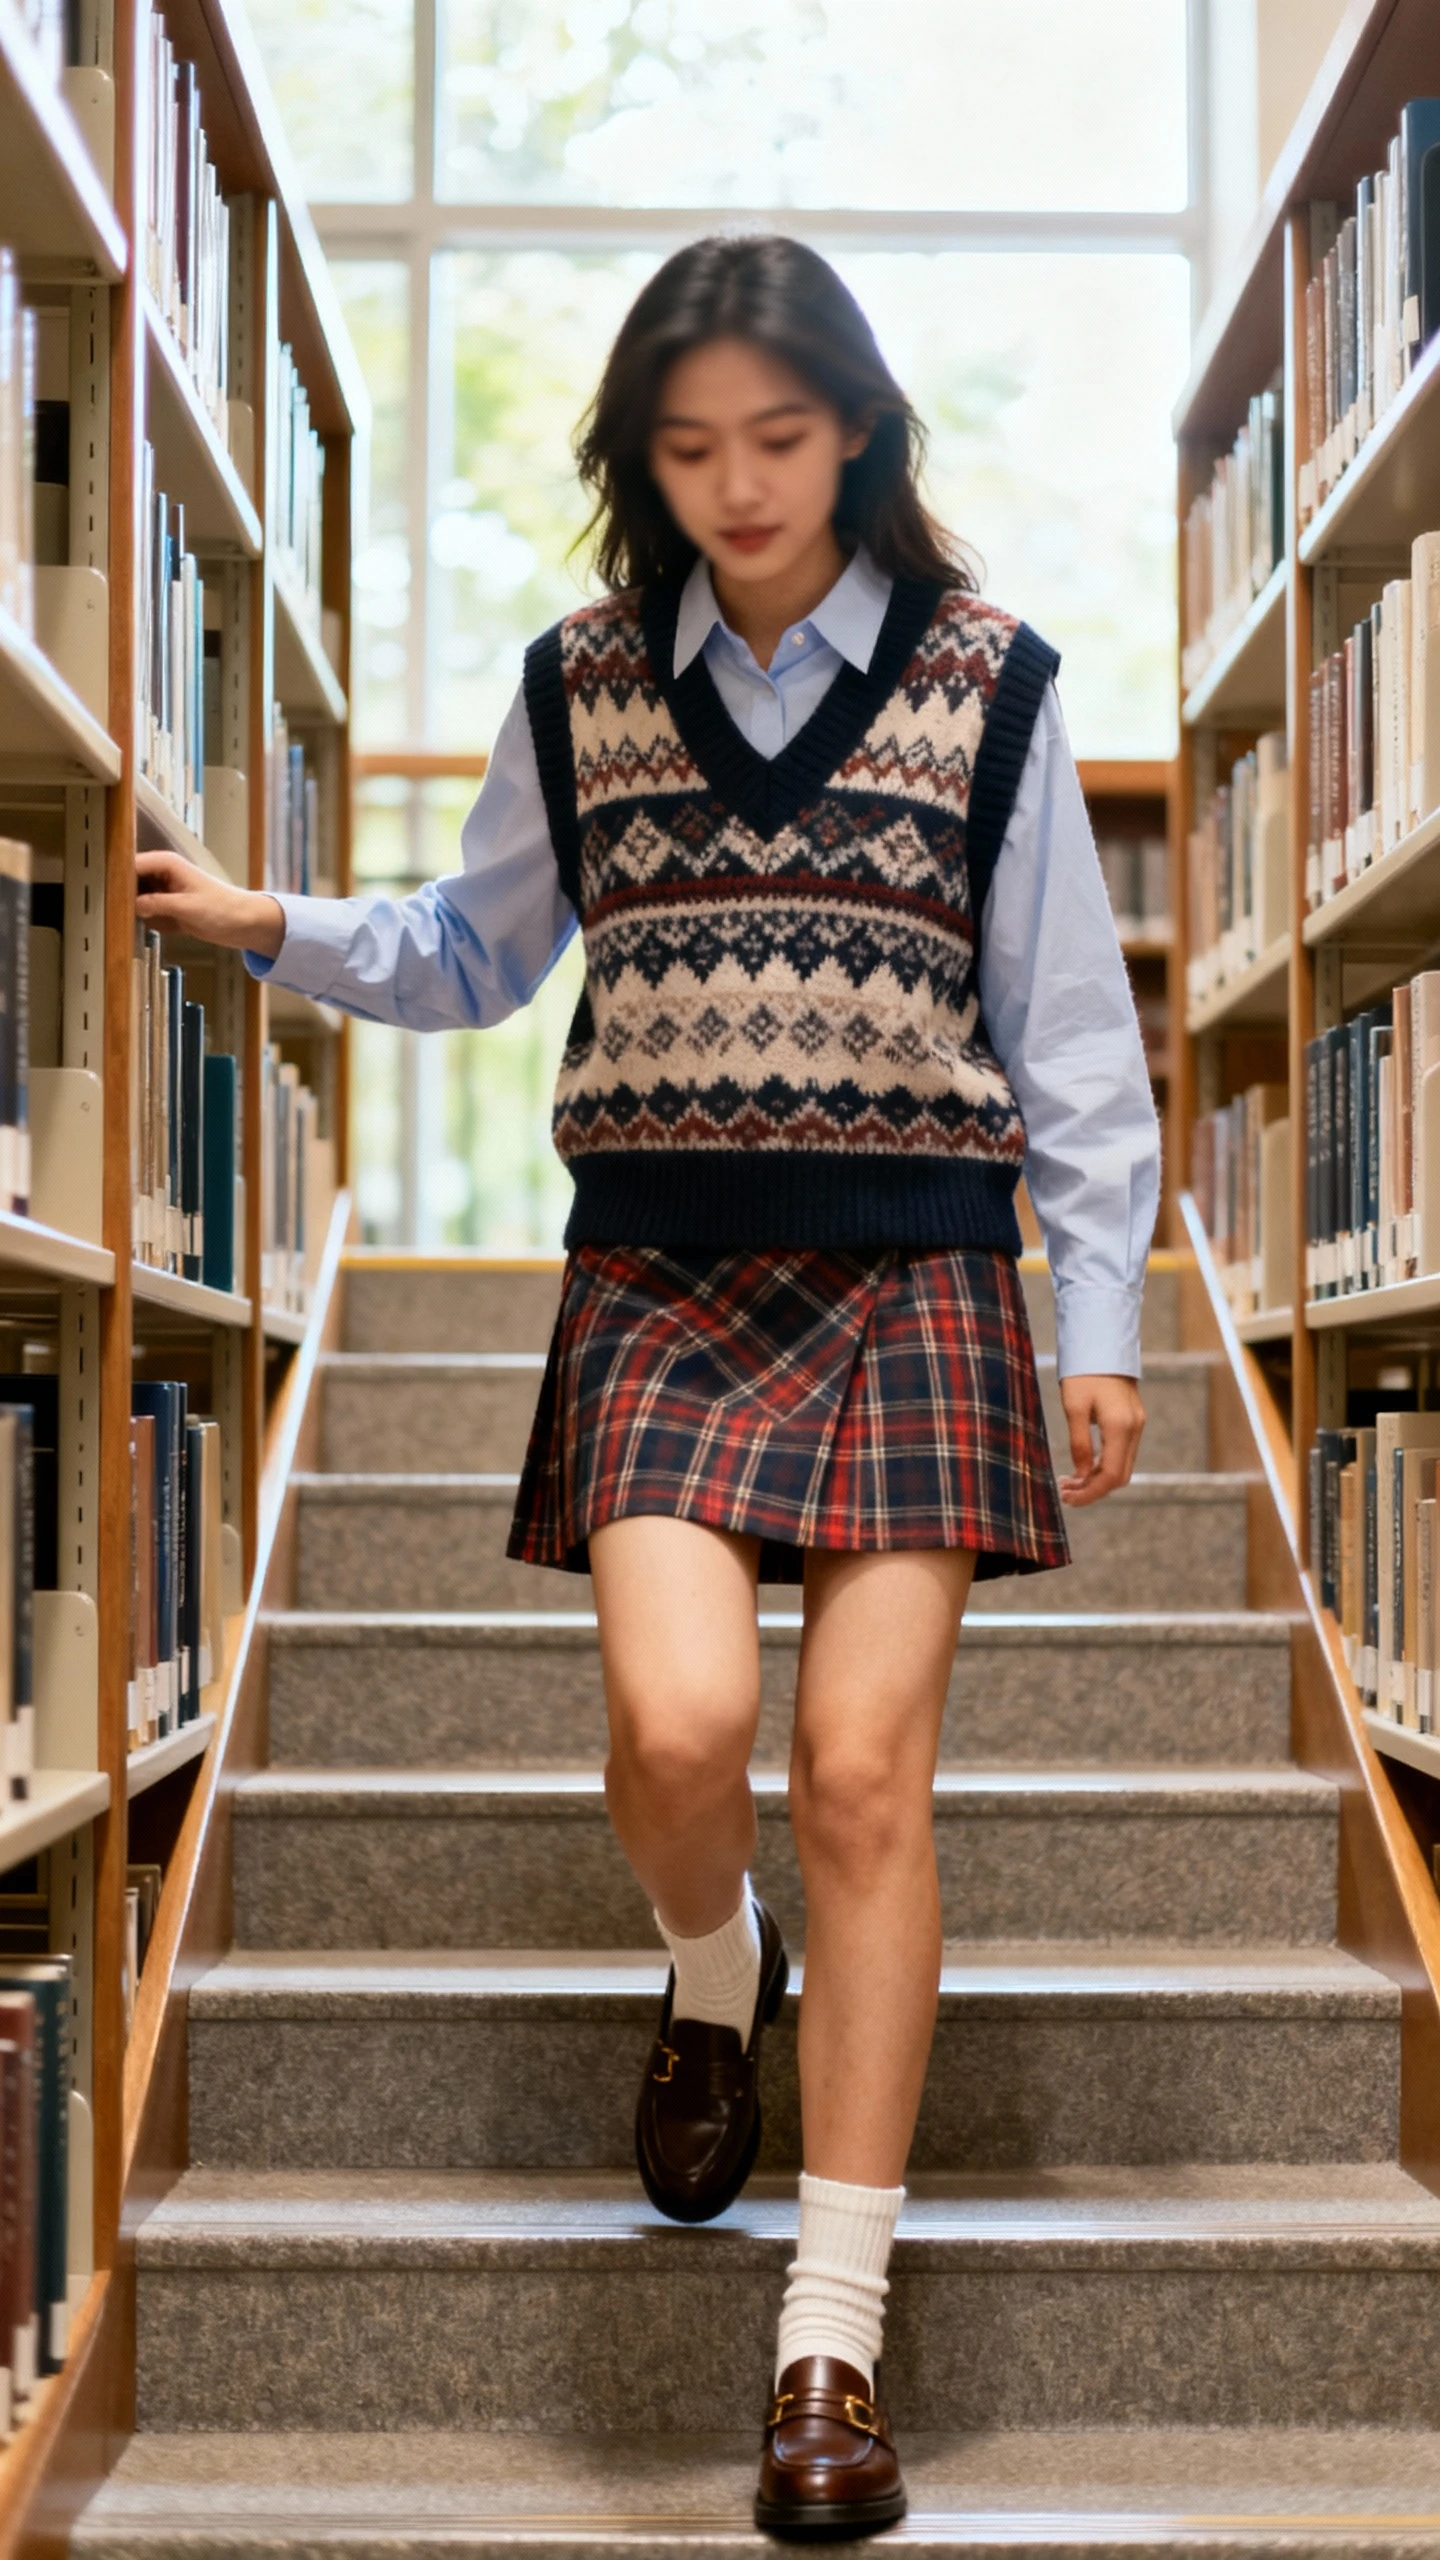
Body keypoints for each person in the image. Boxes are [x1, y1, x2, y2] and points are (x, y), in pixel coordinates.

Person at [137, 233, 1158, 2541]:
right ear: (641, 459)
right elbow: (479, 940)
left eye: (778, 443)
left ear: (862, 434)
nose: (738, 487)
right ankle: (720, 1961)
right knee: (684, 1738)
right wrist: (274, 923)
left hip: (918, 1285)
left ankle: (829, 2332)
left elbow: (1076, 1048)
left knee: (866, 1768)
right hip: (665, 1286)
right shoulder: (585, 679)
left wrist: (1093, 1324)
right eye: (689, 451)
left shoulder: (991, 684)